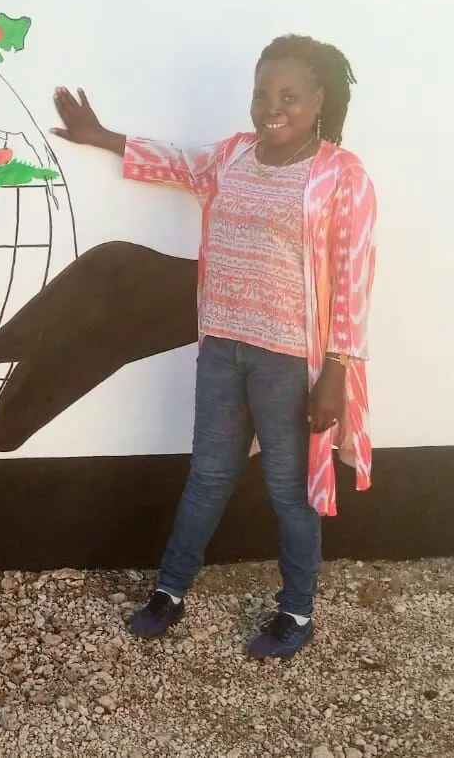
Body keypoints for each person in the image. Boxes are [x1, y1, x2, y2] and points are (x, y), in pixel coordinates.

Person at [50, 34, 377, 658]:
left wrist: (337, 369)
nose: (271, 107)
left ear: (319, 99)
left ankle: (297, 610)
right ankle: (170, 591)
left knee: (288, 491)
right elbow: (177, 163)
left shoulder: (341, 176)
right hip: (223, 348)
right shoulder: (232, 156)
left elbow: (353, 277)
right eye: (262, 93)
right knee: (207, 476)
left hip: (289, 360)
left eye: (289, 95)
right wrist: (101, 136)